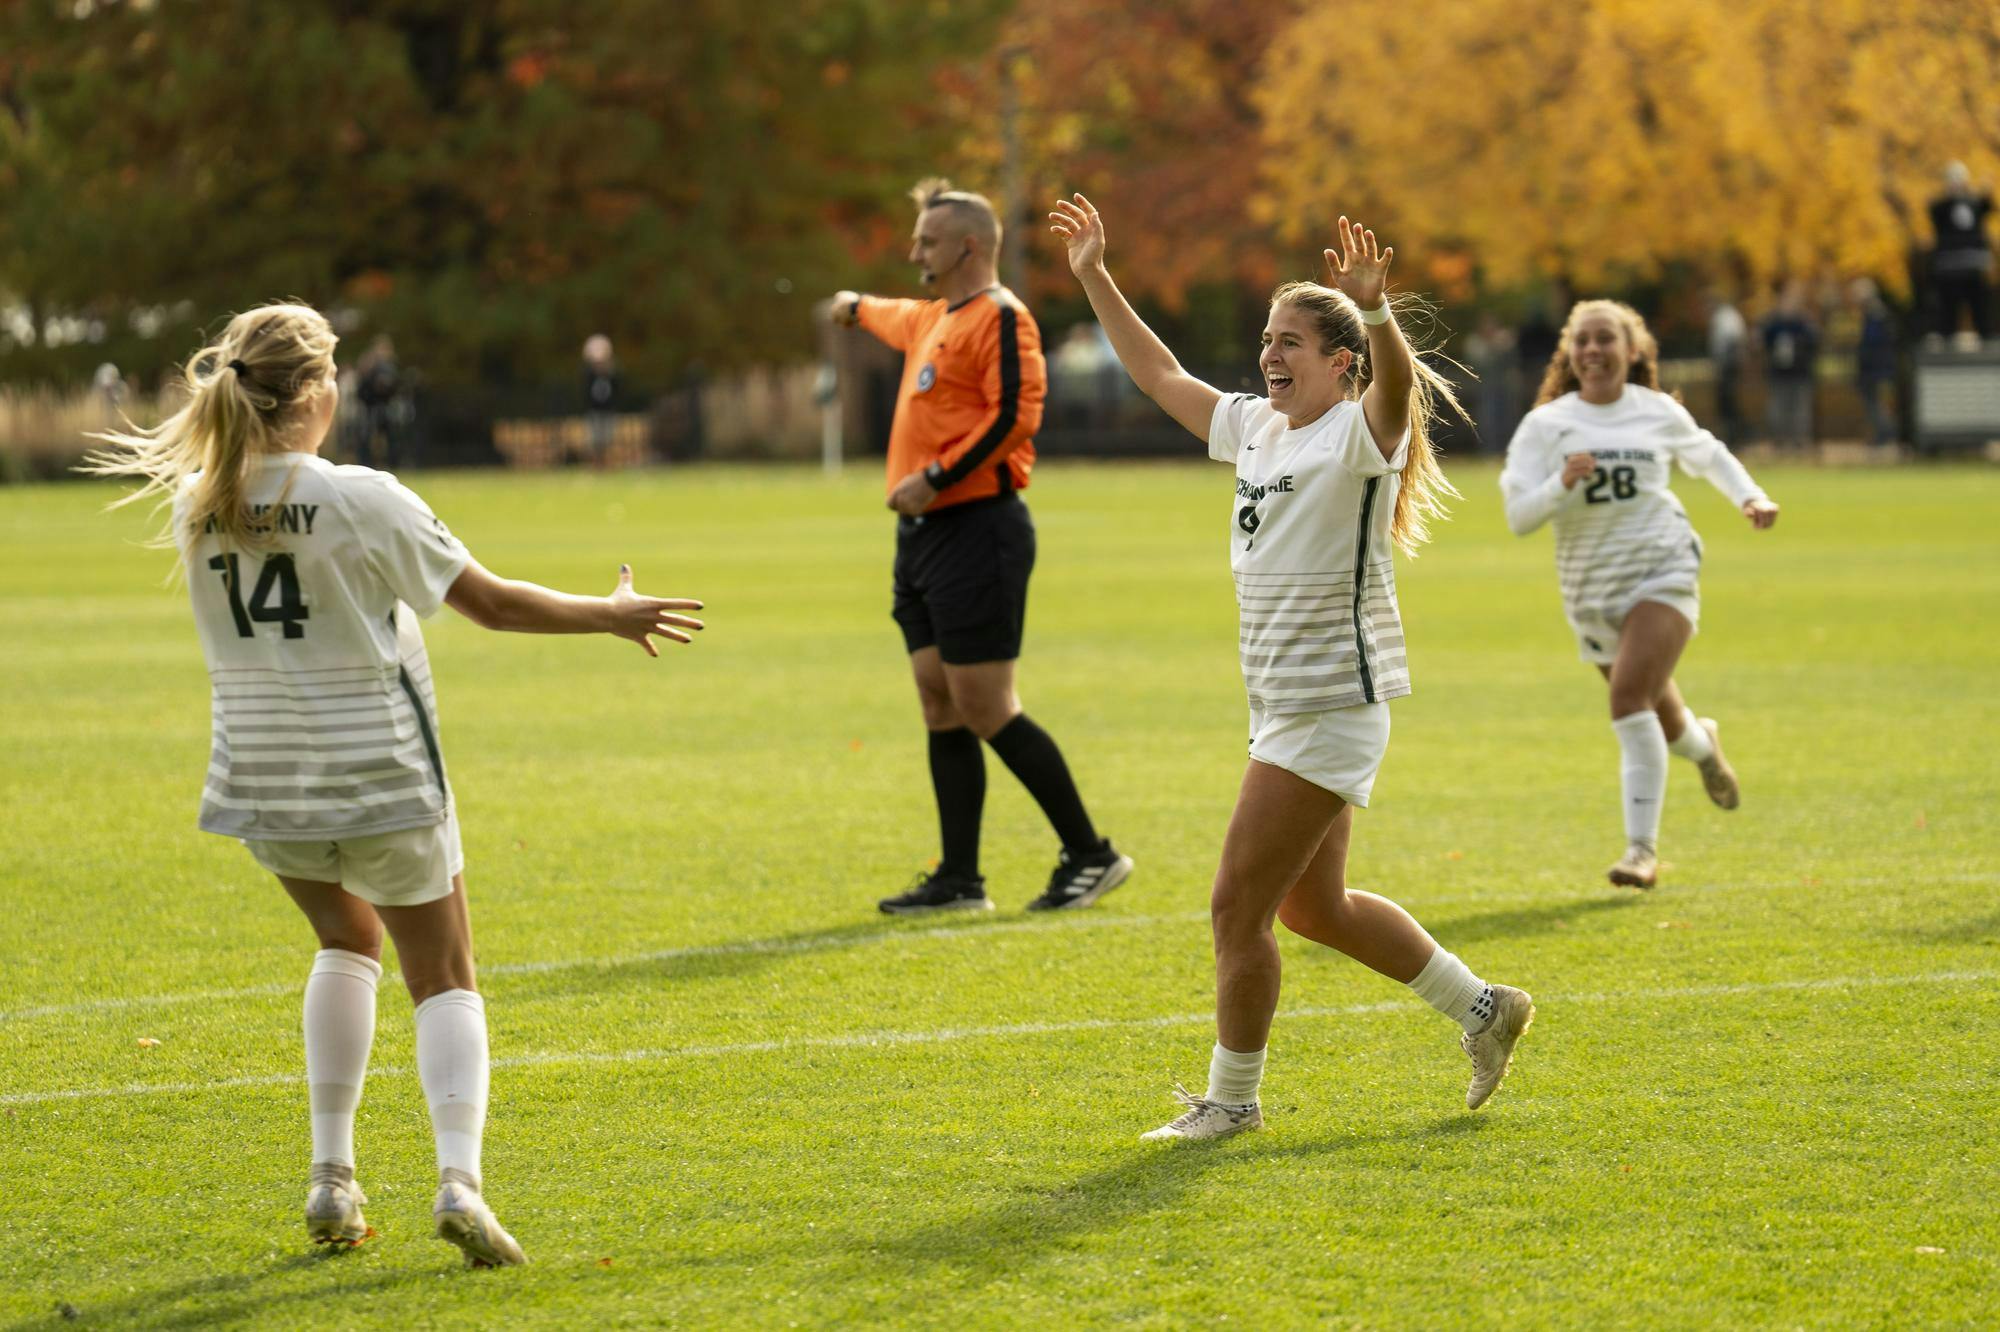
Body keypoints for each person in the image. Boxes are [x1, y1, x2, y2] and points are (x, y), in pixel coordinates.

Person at [79, 303, 706, 1265]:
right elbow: (490, 604)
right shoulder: (361, 495)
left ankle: (332, 1177)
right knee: (444, 974)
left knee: (345, 937)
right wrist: (610, 613)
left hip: (263, 775)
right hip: (376, 768)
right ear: (320, 391)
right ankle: (459, 1180)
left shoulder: (196, 500)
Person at [1049, 194, 1533, 1140]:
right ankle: (1486, 1008)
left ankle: (1232, 1103)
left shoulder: (1357, 433)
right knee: (1316, 909)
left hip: (1327, 705)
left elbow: (1396, 392)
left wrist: (1379, 309)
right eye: (1267, 339)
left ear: (1340, 362)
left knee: (1237, 910)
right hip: (1286, 704)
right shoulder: (1258, 431)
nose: (1271, 354)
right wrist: (1094, 276)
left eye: (1292, 342)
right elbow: (1158, 375)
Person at [829, 178, 1131, 915]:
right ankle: (959, 879)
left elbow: (1015, 419)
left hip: (978, 530)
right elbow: (895, 314)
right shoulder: (937, 318)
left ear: (968, 245)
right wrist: (853, 307)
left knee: (985, 704)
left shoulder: (1001, 317)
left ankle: (1091, 854)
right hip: (923, 538)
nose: (914, 251)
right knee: (940, 701)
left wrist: (935, 476)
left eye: (927, 241)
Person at [1500, 300, 1779, 890]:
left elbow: (1709, 455)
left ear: (1633, 351)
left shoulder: (1655, 411)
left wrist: (1749, 497)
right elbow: (1519, 516)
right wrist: (1561, 483)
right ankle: (1704, 746)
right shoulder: (1545, 426)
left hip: (1663, 568)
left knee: (1629, 699)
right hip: (1590, 591)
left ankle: (1641, 852)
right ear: (1570, 355)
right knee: (1662, 716)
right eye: (1583, 341)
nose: (1594, 350)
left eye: (1606, 339)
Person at [1928, 161, 1994, 342]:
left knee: (1979, 303)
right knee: (1949, 304)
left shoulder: (1973, 202)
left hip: (1973, 264)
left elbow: (1987, 206)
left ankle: (1985, 335)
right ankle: (1946, 334)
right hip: (1949, 266)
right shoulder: (1941, 206)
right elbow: (1935, 215)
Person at [1761, 284, 1818, 450]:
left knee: (1800, 409)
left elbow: (1813, 344)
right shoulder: (1774, 323)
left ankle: (1799, 441)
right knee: (1778, 408)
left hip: (1800, 373)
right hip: (1779, 373)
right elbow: (1764, 342)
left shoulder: (1804, 323)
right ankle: (1779, 440)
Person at [1851, 278, 1897, 446]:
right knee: (1873, 404)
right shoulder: (1871, 315)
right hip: (1873, 368)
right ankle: (1882, 434)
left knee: (1877, 404)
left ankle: (1885, 434)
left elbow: (1875, 343)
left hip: (1877, 369)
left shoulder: (1877, 315)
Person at [582, 333, 619, 466]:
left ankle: (606, 463)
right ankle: (596, 464)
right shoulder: (589, 374)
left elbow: (618, 388)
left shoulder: (611, 374)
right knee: (595, 439)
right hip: (594, 411)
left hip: (608, 410)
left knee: (607, 439)